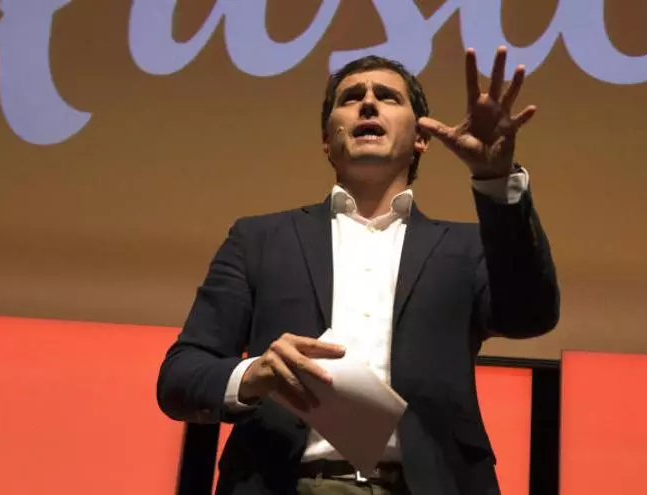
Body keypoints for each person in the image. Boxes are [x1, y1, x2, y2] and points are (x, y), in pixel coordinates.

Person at [157, 46, 560, 495]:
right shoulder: (258, 239)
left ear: (421, 138)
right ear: (326, 141)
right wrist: (254, 375)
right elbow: (180, 377)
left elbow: (531, 315)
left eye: (388, 96)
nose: (368, 103)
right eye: (350, 98)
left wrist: (496, 179)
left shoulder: (467, 248)